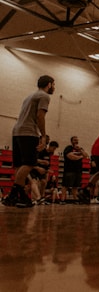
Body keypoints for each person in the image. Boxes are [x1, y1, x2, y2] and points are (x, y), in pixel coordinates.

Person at [3, 75, 55, 208]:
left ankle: (17, 196)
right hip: (29, 132)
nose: (54, 87)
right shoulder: (44, 96)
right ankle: (15, 193)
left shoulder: (29, 96)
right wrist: (43, 136)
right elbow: (40, 116)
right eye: (53, 85)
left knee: (20, 164)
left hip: (17, 131)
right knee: (30, 163)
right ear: (49, 84)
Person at [60, 136, 89, 204]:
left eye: (77, 140)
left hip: (78, 170)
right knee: (65, 185)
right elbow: (71, 157)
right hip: (69, 170)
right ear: (71, 141)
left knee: (75, 186)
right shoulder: (68, 148)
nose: (76, 141)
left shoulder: (80, 149)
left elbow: (86, 156)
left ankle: (75, 199)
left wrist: (81, 150)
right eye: (74, 140)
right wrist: (81, 156)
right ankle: (62, 200)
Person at [30, 140, 59, 204]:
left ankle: (41, 198)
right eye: (54, 148)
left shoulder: (50, 154)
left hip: (43, 170)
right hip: (35, 168)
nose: (54, 150)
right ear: (50, 146)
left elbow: (48, 163)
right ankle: (37, 198)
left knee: (44, 183)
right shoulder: (40, 151)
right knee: (34, 182)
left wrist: (48, 169)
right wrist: (42, 163)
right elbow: (33, 160)